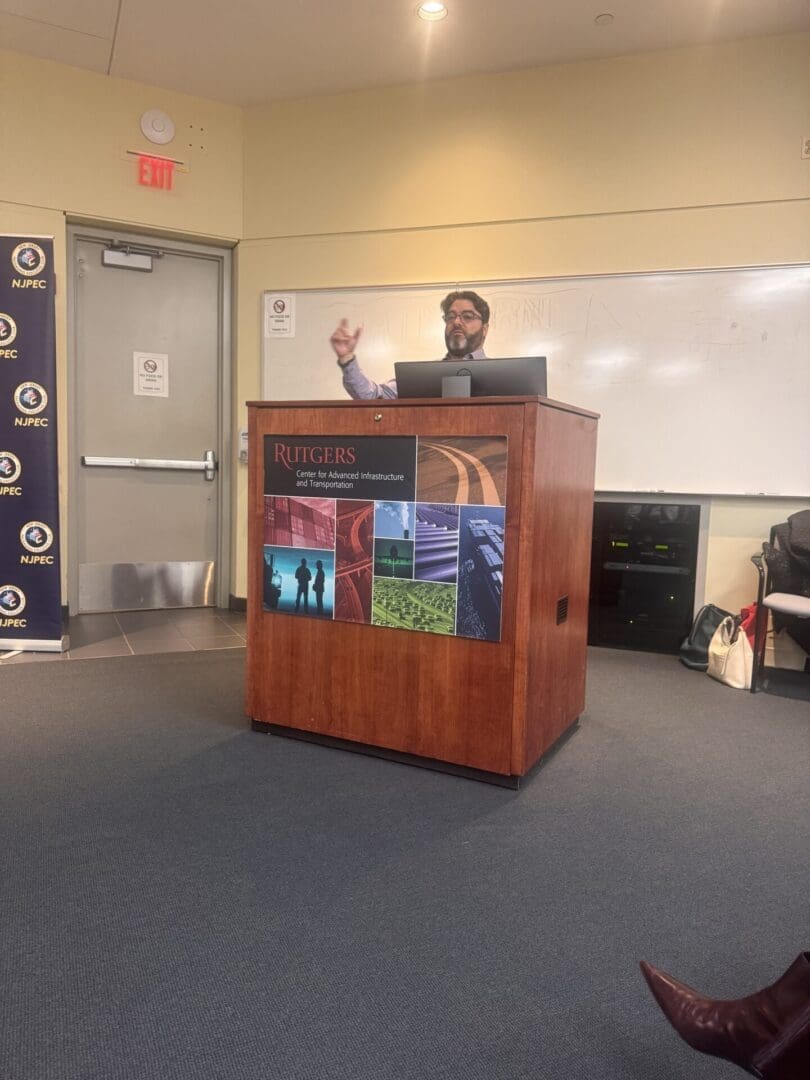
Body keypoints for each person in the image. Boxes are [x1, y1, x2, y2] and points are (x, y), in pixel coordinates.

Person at [330, 290, 490, 400]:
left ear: (484, 329)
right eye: (450, 316)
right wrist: (347, 359)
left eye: (467, 316)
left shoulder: (509, 380)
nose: (456, 322)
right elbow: (372, 397)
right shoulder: (421, 377)